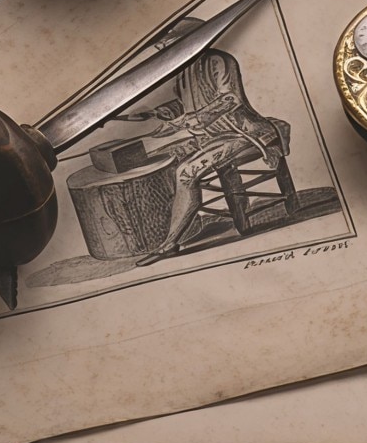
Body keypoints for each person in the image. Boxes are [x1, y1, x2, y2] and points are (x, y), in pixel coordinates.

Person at [114, 16, 294, 264]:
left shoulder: (219, 61)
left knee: (186, 171)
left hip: (246, 133)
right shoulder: (183, 73)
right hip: (211, 136)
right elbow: (183, 105)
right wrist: (160, 113)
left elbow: (230, 100)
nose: (167, 52)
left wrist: (191, 120)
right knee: (166, 160)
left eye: (172, 46)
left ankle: (169, 244)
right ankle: (182, 227)